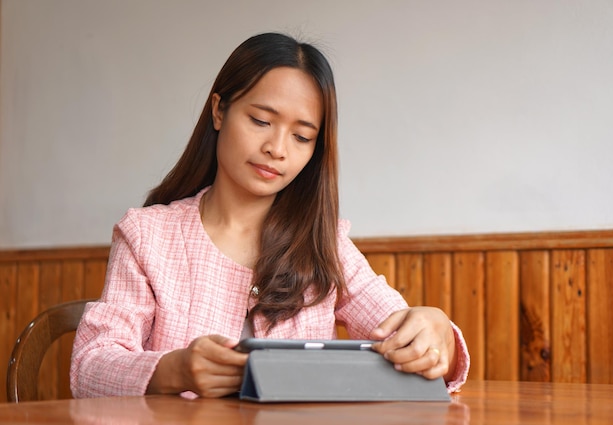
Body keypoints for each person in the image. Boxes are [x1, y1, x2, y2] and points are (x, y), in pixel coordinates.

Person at [70, 32, 470, 399]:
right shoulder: (148, 236)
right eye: (261, 121)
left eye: (301, 137)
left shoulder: (323, 243)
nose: (278, 149)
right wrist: (173, 370)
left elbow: (403, 332)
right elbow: (89, 366)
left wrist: (438, 336)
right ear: (219, 111)